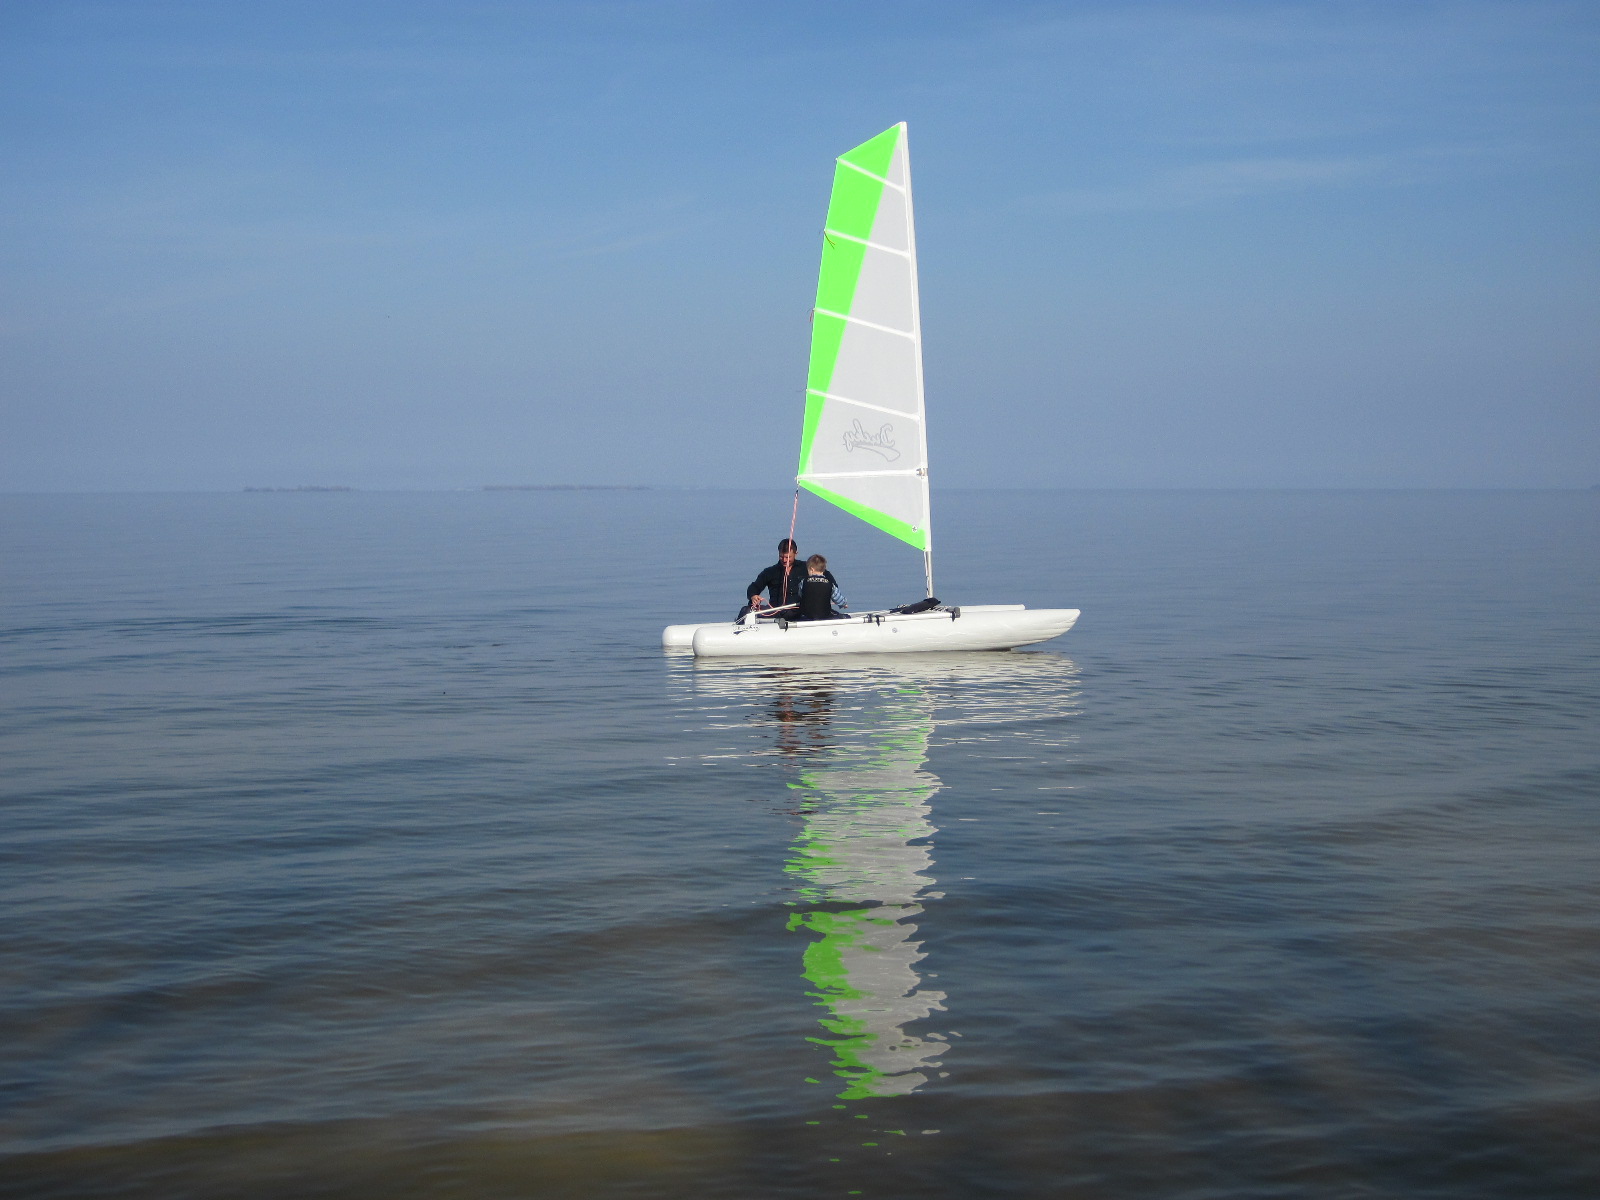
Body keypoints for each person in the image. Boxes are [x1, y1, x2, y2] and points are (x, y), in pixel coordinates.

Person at [740, 539, 838, 619]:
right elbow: (754, 587)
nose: (784, 560)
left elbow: (830, 583)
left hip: (801, 611)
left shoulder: (808, 568)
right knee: (745, 610)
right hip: (776, 611)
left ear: (796, 553)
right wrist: (753, 596)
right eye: (781, 557)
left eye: (788, 557)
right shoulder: (769, 572)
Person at [797, 554, 848, 620]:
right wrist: (843, 604)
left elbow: (800, 594)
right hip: (825, 615)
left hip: (807, 615)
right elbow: (837, 598)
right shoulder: (830, 584)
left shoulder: (803, 582)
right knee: (844, 616)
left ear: (812, 569)